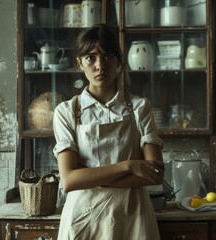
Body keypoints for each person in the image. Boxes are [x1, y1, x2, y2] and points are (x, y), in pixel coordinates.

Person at [52, 23, 165, 240]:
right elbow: (68, 181)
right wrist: (129, 166)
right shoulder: (66, 112)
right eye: (90, 58)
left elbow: (155, 175)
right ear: (79, 63)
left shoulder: (140, 107)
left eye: (108, 57)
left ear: (119, 62)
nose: (100, 66)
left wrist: (87, 174)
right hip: (84, 218)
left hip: (133, 216)